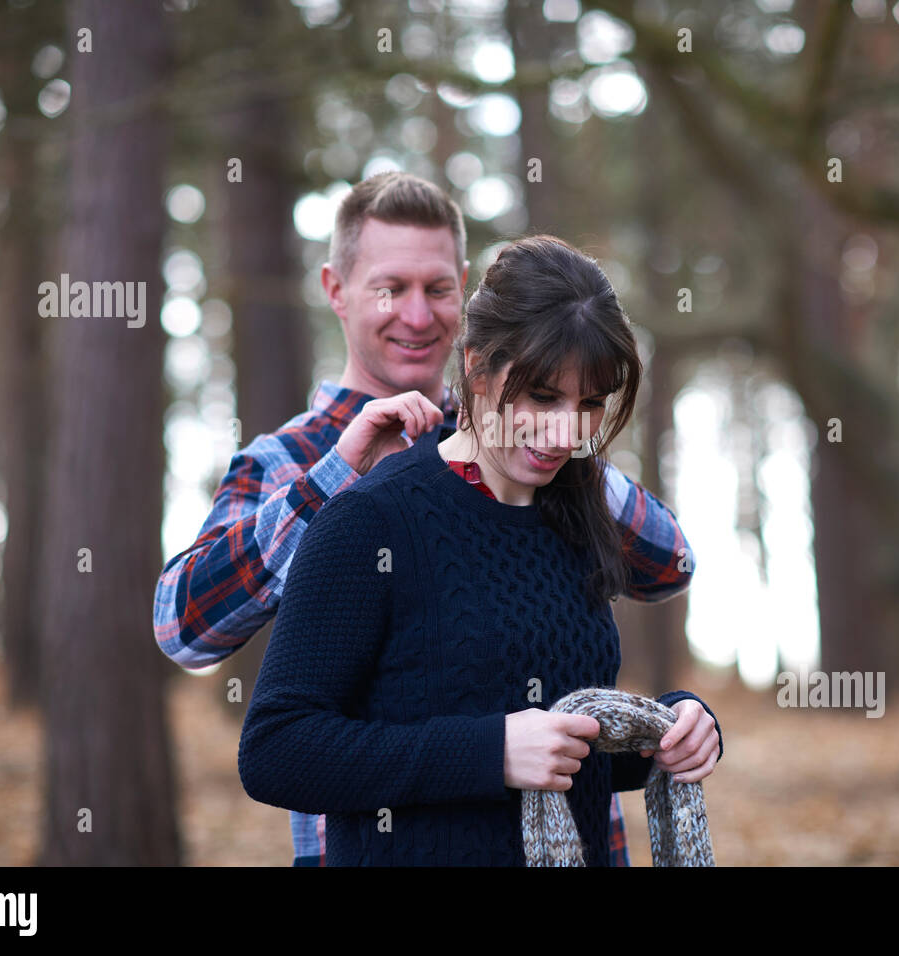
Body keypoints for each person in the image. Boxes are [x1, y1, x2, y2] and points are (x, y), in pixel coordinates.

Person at [152, 172, 697, 865]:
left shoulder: (549, 466)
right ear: (336, 291)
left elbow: (670, 563)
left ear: (463, 296)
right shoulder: (298, 465)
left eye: (438, 289)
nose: (416, 315)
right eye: (391, 288)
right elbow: (185, 632)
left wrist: (545, 436)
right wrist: (334, 478)